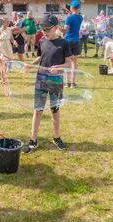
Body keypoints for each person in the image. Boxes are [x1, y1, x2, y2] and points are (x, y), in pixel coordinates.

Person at [22, 15, 72, 154]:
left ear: (56, 28)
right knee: (38, 109)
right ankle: (33, 139)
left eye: (47, 29)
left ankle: (56, 137)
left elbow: (68, 63)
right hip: (41, 79)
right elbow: (41, 57)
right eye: (42, 28)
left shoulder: (64, 43)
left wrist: (59, 67)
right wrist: (30, 64)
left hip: (56, 80)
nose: (43, 31)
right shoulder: (42, 41)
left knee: (54, 109)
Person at [58, 0, 83, 88]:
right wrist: (70, 13)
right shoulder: (80, 17)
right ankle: (72, 83)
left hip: (68, 40)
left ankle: (67, 82)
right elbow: (74, 17)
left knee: (67, 62)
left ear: (72, 7)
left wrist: (57, 25)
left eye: (70, 6)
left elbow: (65, 30)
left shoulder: (69, 18)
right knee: (74, 62)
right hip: (76, 41)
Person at [0, 17, 18, 82]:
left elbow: (11, 39)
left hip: (8, 46)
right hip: (1, 47)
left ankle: (3, 76)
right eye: (7, 22)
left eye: (8, 21)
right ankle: (2, 77)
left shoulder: (9, 30)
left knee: (6, 63)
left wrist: (14, 42)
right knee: (2, 62)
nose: (8, 23)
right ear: (3, 22)